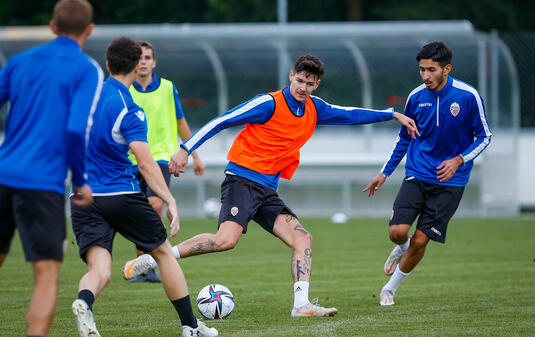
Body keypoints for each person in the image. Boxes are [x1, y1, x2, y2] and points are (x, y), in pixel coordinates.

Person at [123, 54, 419, 317]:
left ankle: (301, 305)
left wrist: (391, 114)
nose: (303, 87)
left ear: (317, 85)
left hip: (266, 191)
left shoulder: (316, 108)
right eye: (300, 80)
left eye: (310, 83)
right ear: (291, 76)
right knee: (226, 240)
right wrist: (185, 148)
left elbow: (350, 114)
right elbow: (223, 120)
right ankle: (155, 257)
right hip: (241, 180)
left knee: (303, 239)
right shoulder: (268, 103)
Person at [70, 37, 217, 337]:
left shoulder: (86, 98)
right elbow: (146, 163)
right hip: (119, 194)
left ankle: (84, 302)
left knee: (100, 270)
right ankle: (191, 326)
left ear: (108, 65)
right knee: (163, 253)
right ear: (138, 66)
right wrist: (170, 199)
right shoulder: (131, 109)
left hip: (82, 196)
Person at [362, 41, 492, 306]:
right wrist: (384, 173)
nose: (425, 76)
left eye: (431, 70)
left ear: (447, 69)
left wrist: (459, 160)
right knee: (398, 233)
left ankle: (389, 289)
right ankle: (400, 248)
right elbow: (404, 139)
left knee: (421, 240)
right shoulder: (415, 97)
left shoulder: (468, 96)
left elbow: (485, 136)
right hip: (417, 173)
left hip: (450, 181)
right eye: (422, 70)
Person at [0, 1, 102, 336]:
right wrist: (82, 180)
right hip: (42, 183)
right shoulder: (86, 70)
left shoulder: (18, 62)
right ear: (89, 30)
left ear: (52, 26)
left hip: (3, 174)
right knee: (46, 275)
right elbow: (76, 130)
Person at [125, 40, 206, 283]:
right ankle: (143, 265)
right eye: (139, 58)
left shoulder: (168, 88)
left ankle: (151, 262)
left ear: (154, 62)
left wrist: (195, 156)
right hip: (129, 160)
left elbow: (181, 122)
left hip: (160, 157)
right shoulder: (125, 89)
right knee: (136, 212)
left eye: (147, 57)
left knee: (153, 204)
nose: (143, 62)